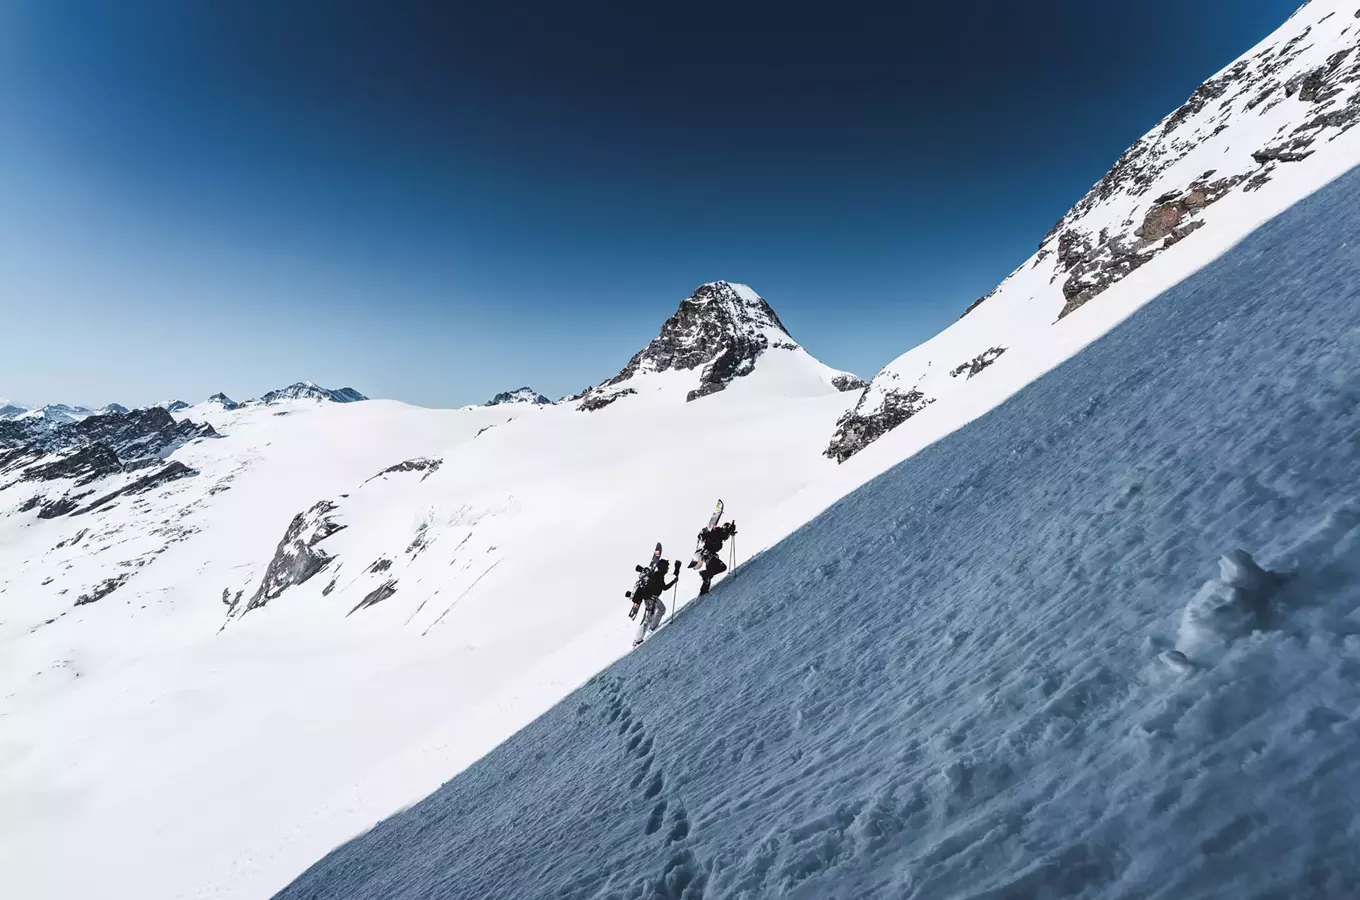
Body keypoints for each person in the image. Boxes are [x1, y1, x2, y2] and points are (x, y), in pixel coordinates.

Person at [627, 558, 679, 647]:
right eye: (666, 568)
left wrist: (674, 579)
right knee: (647, 619)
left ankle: (652, 627)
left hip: (652, 598)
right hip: (650, 598)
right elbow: (664, 587)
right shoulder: (658, 575)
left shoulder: (658, 575)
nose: (667, 569)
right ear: (663, 568)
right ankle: (638, 639)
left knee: (661, 609)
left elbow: (663, 587)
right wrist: (673, 581)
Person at [694, 520, 737, 595]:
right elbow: (704, 533)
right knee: (722, 567)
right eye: (727, 534)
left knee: (710, 573)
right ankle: (705, 575)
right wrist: (703, 536)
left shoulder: (720, 537)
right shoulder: (716, 532)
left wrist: (731, 532)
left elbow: (723, 535)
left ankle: (703, 591)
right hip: (708, 555)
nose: (727, 537)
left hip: (709, 556)